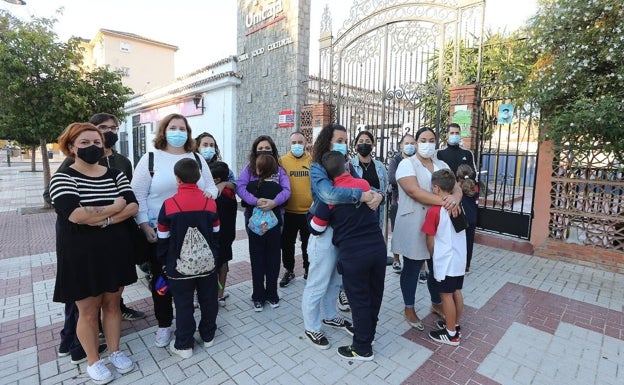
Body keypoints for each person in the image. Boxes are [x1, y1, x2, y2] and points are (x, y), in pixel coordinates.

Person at [49, 122, 138, 384]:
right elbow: (75, 215)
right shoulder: (63, 177)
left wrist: (103, 218)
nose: (92, 147)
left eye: (97, 142)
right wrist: (114, 206)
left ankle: (115, 351)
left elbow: (132, 206)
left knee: (112, 305)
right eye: (85, 142)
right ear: (71, 146)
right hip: (81, 255)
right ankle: (93, 360)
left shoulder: (115, 174)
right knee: (87, 311)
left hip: (115, 250)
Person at [131, 113, 218, 349]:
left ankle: (197, 325)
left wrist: (208, 199)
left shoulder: (197, 158)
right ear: (164, 130)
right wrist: (143, 224)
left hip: (196, 234)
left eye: (182, 128)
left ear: (188, 133)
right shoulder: (150, 159)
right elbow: (137, 194)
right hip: (161, 233)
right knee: (163, 281)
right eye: (173, 127)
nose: (178, 132)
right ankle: (164, 324)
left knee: (197, 280)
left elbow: (211, 187)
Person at [301, 123, 382, 349]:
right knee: (318, 280)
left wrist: (378, 196)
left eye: (346, 141)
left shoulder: (346, 164)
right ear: (327, 141)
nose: (343, 144)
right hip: (324, 231)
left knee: (335, 280)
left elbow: (366, 185)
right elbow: (328, 194)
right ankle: (312, 327)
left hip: (344, 232)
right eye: (339, 140)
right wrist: (363, 196)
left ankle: (329, 315)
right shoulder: (317, 166)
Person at [391, 126, 462, 330]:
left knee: (436, 266)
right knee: (412, 267)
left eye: (431, 140)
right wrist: (446, 201)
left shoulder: (441, 163)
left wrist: (456, 198)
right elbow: (414, 191)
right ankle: (409, 307)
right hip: (414, 222)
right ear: (416, 142)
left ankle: (436, 302)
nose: (427, 144)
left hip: (439, 225)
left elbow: (456, 187)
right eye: (422, 139)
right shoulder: (407, 164)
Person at [157, 158, 221, 359]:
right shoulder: (210, 203)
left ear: (177, 179)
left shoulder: (168, 205)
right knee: (209, 300)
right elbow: (217, 233)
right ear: (199, 177)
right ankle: (208, 336)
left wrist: (164, 262)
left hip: (178, 267)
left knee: (183, 304)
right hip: (207, 264)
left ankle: (184, 345)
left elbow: (162, 238)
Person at [236, 136, 291, 311]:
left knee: (269, 258)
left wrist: (274, 202)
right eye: (261, 148)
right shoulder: (249, 169)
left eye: (267, 148)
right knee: (262, 258)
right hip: (254, 221)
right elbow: (240, 187)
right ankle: (262, 295)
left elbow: (287, 190)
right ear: (255, 150)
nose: (264, 151)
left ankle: (267, 295)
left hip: (275, 221)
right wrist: (256, 201)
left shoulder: (280, 170)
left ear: (273, 150)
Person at [422, 169, 467, 346]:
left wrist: (433, 257)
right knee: (456, 291)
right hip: (458, 258)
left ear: (436, 188)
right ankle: (454, 324)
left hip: (445, 260)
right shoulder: (458, 205)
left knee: (446, 295)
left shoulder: (434, 211)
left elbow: (430, 239)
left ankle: (451, 334)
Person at [195, 132, 237, 305]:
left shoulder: (223, 168)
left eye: (212, 145)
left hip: (223, 225)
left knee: (222, 260)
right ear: (196, 147)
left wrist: (224, 183)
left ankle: (219, 294)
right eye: (205, 145)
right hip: (200, 224)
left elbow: (236, 186)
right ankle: (199, 295)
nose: (209, 148)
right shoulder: (192, 167)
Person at [436, 123, 478, 272]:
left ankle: (466, 264)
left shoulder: (468, 153)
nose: (454, 135)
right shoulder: (439, 154)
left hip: (466, 198)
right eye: (452, 133)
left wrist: (464, 187)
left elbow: (474, 175)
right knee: (448, 230)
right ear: (446, 135)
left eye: (457, 133)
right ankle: (449, 261)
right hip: (446, 198)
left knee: (467, 230)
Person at [279, 131, 313, 287]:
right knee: (287, 243)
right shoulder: (282, 161)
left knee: (308, 244)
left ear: (306, 143)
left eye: (300, 142)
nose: (297, 145)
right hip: (289, 212)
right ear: (289, 144)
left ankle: (308, 270)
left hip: (309, 212)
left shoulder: (313, 160)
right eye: (294, 142)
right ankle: (289, 270)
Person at [208, 160, 238, 305]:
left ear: (217, 180)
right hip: (228, 235)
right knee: (223, 264)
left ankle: (215, 294)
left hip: (217, 236)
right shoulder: (230, 193)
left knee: (216, 265)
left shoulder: (217, 196)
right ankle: (220, 294)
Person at [456, 164, 479, 272]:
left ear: (458, 174)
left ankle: (458, 263)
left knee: (459, 242)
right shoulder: (474, 186)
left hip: (461, 219)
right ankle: (467, 265)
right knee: (469, 242)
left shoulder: (457, 187)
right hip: (472, 218)